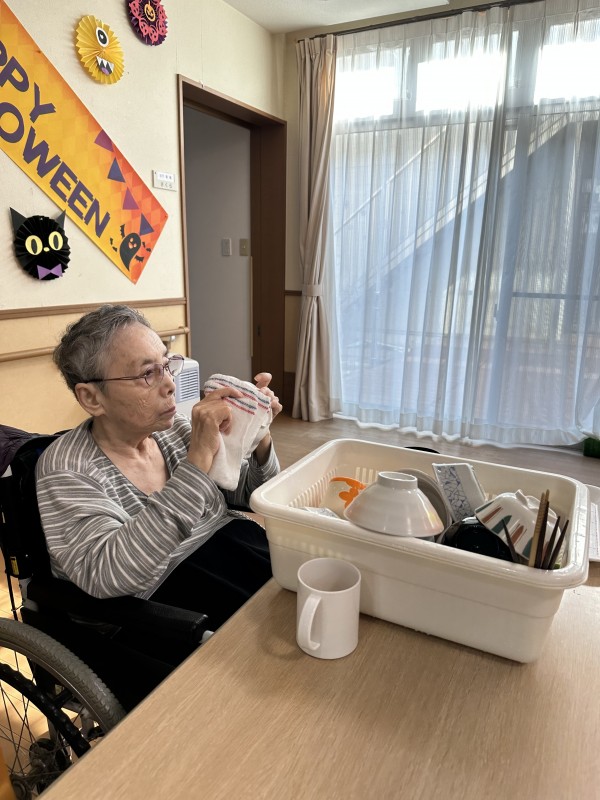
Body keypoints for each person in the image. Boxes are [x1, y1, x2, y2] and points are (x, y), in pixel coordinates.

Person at [35, 304, 281, 704]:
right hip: (163, 608)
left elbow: (252, 494)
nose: (169, 384)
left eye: (167, 365)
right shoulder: (67, 470)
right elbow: (112, 574)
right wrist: (198, 462)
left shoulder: (171, 431)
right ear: (91, 397)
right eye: (147, 374)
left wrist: (256, 432)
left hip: (234, 555)